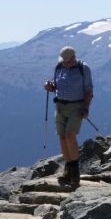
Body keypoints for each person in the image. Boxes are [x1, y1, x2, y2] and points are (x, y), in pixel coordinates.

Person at [44, 46, 93, 189]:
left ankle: (75, 171)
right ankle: (68, 170)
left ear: (73, 58)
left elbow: (89, 89)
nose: (64, 63)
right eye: (63, 61)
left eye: (67, 61)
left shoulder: (83, 69)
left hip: (76, 106)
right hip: (60, 106)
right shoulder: (59, 67)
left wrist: (86, 108)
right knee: (62, 136)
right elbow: (56, 87)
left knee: (70, 134)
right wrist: (50, 86)